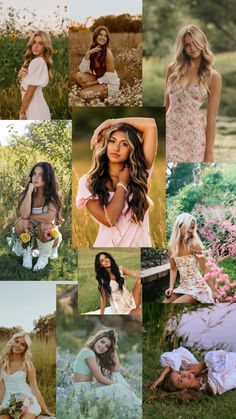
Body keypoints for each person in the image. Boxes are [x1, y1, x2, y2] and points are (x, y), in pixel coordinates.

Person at [76, 117, 157, 247]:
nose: (116, 148)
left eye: (124, 144)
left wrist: (110, 122)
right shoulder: (89, 182)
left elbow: (150, 125)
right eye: (112, 141)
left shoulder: (139, 172)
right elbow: (110, 220)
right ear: (106, 144)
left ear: (132, 149)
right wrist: (122, 184)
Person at [165, 25, 222, 163]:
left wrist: (209, 153)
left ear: (202, 41)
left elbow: (211, 119)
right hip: (169, 133)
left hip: (194, 138)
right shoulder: (172, 69)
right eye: (187, 45)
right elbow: (166, 106)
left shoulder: (213, 76)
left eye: (195, 42)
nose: (193, 47)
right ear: (183, 48)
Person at [73, 329, 141, 412]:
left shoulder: (95, 356)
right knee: (117, 387)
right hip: (83, 394)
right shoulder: (88, 352)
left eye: (107, 346)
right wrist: (120, 386)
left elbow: (116, 369)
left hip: (88, 391)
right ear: (96, 339)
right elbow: (99, 378)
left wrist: (113, 349)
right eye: (102, 342)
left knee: (114, 375)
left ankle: (136, 404)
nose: (103, 347)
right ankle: (137, 406)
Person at [12, 162, 62, 271]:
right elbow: (24, 216)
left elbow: (49, 217)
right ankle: (27, 254)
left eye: (41, 175)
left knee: (45, 225)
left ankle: (43, 258)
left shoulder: (54, 195)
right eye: (34, 174)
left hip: (45, 236)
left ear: (47, 177)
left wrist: (29, 216)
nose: (36, 177)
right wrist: (29, 191)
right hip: (28, 235)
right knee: (22, 222)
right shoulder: (25, 194)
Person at [163, 213, 218, 304]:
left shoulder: (194, 244)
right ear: (179, 226)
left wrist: (213, 290)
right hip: (183, 287)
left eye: (192, 228)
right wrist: (171, 287)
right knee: (165, 303)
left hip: (198, 288)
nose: (190, 230)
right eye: (188, 227)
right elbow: (173, 269)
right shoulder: (172, 247)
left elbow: (205, 269)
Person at [0, 332, 54, 418]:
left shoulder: (27, 364)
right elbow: (1, 388)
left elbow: (35, 389)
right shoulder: (2, 363)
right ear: (12, 342)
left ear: (25, 348)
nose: (18, 345)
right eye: (17, 341)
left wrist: (46, 410)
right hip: (8, 400)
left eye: (22, 344)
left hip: (26, 400)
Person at [150, 347, 236, 397]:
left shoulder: (193, 369)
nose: (184, 375)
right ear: (183, 389)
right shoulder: (216, 384)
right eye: (180, 380)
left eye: (179, 373)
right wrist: (203, 365)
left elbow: (180, 352)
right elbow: (231, 359)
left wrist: (162, 376)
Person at [74, 26, 120, 101]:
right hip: (99, 79)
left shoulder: (108, 53)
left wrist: (91, 84)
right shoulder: (92, 49)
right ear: (95, 36)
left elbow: (110, 77)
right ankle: (95, 91)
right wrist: (88, 54)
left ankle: (99, 94)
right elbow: (82, 70)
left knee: (82, 95)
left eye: (105, 36)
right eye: (100, 35)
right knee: (78, 76)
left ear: (107, 39)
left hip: (110, 84)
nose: (103, 37)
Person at [18, 30, 53, 120]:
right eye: (34, 42)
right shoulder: (39, 62)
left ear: (45, 47)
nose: (36, 46)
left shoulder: (37, 62)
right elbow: (25, 88)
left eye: (40, 43)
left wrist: (21, 111)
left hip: (35, 109)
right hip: (35, 107)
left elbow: (29, 92)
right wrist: (20, 76)